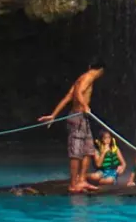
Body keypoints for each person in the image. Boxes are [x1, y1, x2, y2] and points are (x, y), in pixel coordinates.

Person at [39, 62, 106, 194]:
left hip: (83, 119)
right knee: (76, 153)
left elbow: (68, 96)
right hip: (77, 118)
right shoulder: (89, 76)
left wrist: (53, 115)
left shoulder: (81, 78)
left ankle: (82, 180)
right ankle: (73, 184)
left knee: (88, 150)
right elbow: (78, 94)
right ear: (101, 70)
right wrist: (84, 106)